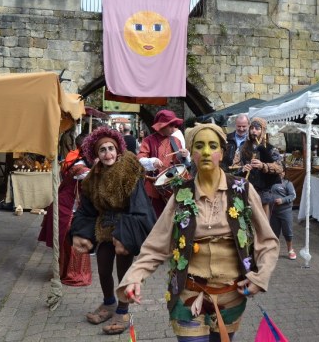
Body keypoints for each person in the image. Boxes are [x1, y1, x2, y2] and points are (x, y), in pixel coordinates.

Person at [116, 122, 279, 341]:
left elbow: (267, 241)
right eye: (199, 146)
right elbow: (156, 245)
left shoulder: (242, 190)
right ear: (191, 153)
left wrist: (261, 277)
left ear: (221, 153)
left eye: (213, 146)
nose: (205, 152)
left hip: (231, 297)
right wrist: (135, 277)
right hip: (188, 294)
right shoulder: (182, 193)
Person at [69, 126, 156, 335]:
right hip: (104, 227)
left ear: (117, 151)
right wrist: (80, 232)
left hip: (125, 227)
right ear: (96, 154)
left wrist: (127, 233)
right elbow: (87, 208)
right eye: (102, 150)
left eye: (111, 149)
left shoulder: (129, 173)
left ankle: (123, 309)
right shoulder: (93, 178)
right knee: (103, 268)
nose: (107, 153)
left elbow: (140, 205)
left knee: (124, 272)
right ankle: (108, 303)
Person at [38, 133, 92, 286]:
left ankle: (67, 272)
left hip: (69, 207)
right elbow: (90, 176)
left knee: (72, 243)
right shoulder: (79, 165)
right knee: (73, 243)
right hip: (67, 209)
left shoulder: (76, 159)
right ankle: (72, 274)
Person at [138, 110, 190, 217]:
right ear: (162, 126)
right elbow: (139, 160)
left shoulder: (176, 140)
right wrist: (152, 161)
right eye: (170, 125)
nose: (173, 128)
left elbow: (181, 163)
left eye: (174, 125)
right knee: (156, 218)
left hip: (173, 186)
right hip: (153, 189)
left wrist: (185, 155)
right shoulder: (148, 140)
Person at [239, 117, 283, 218]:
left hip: (263, 191)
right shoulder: (243, 148)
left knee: (264, 223)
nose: (254, 130)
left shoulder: (271, 149)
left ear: (262, 131)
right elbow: (233, 166)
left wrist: (263, 165)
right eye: (252, 128)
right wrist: (242, 168)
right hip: (248, 189)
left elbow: (280, 168)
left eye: (257, 128)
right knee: (249, 220)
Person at [269, 163, 297, 260]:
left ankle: (290, 250)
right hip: (273, 212)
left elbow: (293, 196)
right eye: (277, 172)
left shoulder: (287, 183)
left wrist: (283, 200)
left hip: (285, 211)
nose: (279, 174)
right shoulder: (270, 182)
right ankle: (275, 251)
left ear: (284, 173)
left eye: (281, 172)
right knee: (274, 232)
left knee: (288, 232)